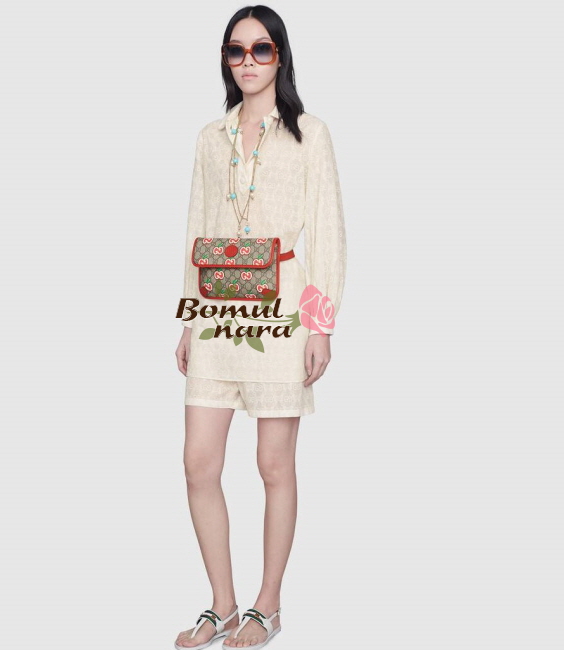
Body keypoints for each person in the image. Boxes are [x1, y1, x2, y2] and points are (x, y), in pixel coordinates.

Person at [174, 5, 347, 650]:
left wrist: (320, 326)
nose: (248, 61)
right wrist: (187, 317)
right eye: (236, 50)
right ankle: (222, 605)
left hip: (281, 316)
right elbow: (196, 230)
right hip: (216, 315)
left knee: (273, 464)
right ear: (226, 60)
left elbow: (326, 231)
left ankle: (267, 606)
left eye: (261, 49)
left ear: (280, 56)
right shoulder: (209, 138)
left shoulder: (310, 135)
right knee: (198, 463)